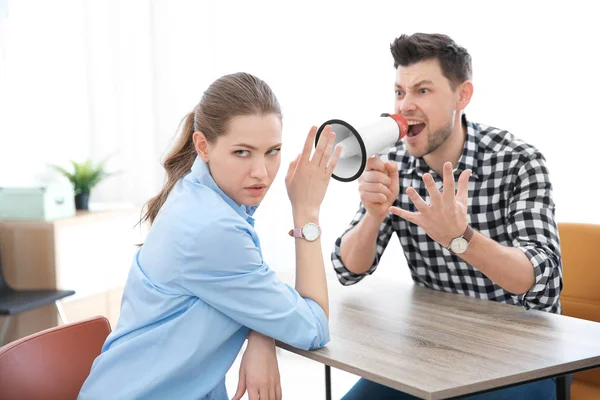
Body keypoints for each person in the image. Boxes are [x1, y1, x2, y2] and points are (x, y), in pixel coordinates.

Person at [78, 72, 342, 400]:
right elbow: (313, 327)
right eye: (242, 152)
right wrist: (307, 213)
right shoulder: (212, 228)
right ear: (203, 146)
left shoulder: (199, 194)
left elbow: (250, 287)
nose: (261, 171)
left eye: (272, 151)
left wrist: (261, 332)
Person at [332, 33, 564, 399]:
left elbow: (544, 282)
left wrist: (462, 238)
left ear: (462, 95)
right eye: (399, 92)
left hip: (521, 361)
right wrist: (373, 216)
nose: (405, 105)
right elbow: (348, 269)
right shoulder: (397, 163)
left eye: (422, 91)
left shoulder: (518, 160)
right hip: (433, 354)